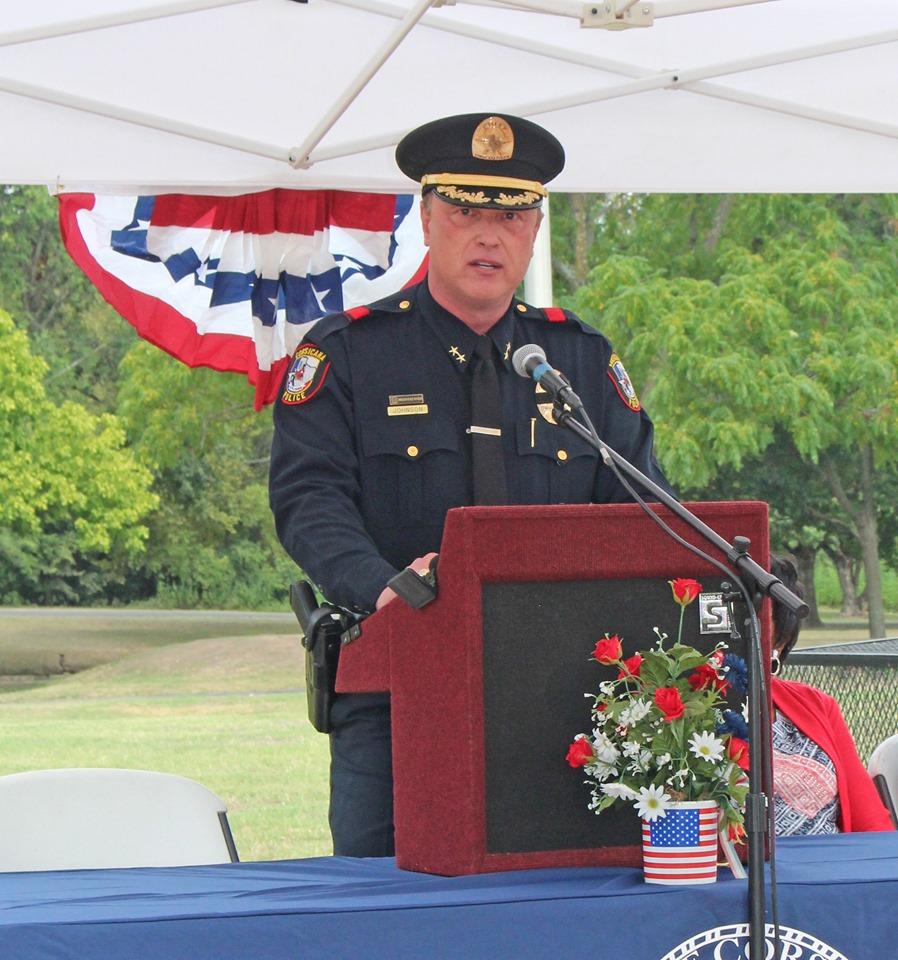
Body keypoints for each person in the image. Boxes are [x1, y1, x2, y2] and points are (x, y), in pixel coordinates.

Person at [269, 112, 672, 857]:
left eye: (512, 216)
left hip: (562, 696)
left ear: (534, 228)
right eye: (465, 213)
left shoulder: (577, 361)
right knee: (388, 914)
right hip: (397, 689)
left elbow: (643, 507)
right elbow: (308, 501)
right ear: (426, 219)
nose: (489, 236)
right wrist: (384, 584)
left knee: (551, 906)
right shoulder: (349, 353)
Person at [769, 556, 893, 835]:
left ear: (782, 639)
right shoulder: (679, 710)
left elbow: (870, 818)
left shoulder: (817, 706)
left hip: (830, 866)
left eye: (757, 615)